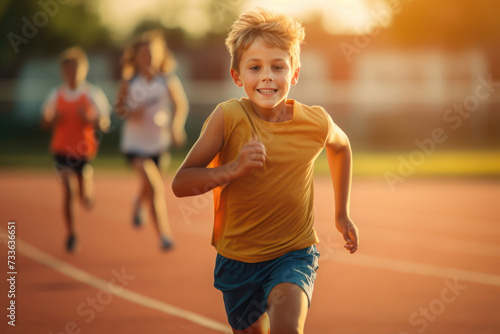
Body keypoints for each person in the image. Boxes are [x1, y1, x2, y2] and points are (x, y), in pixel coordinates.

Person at [172, 8, 359, 334]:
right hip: (237, 259)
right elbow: (181, 183)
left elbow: (341, 147)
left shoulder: (314, 122)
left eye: (278, 66)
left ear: (295, 73)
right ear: (237, 76)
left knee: (288, 327)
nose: (267, 76)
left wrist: (341, 213)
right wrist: (233, 169)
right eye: (255, 67)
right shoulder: (227, 118)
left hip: (294, 254)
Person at [115, 30, 189, 251]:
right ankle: (164, 236)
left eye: (152, 54)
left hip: (158, 144)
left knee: (148, 187)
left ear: (160, 56)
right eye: (144, 54)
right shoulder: (130, 82)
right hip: (134, 145)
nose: (148, 58)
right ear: (136, 56)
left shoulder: (167, 81)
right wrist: (129, 111)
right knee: (155, 186)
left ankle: (138, 204)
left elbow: (180, 105)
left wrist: (176, 126)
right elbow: (118, 108)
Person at [41, 46, 111, 253]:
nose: (73, 73)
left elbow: (105, 123)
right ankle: (71, 234)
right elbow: (44, 121)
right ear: (63, 71)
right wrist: (51, 118)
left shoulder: (92, 94)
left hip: (83, 150)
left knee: (85, 198)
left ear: (84, 70)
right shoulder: (56, 94)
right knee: (68, 191)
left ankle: (88, 184)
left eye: (77, 69)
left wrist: (91, 119)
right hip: (61, 150)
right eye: (69, 69)